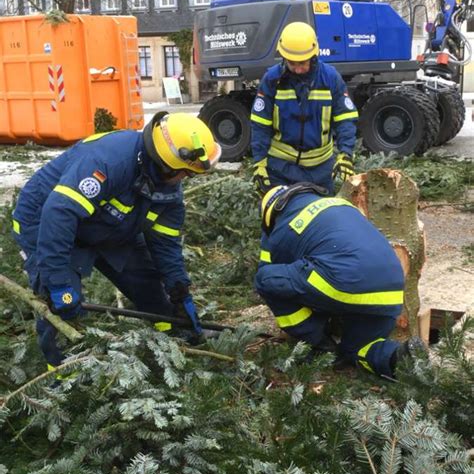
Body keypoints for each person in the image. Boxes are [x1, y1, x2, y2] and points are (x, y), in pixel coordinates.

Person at [11, 112, 221, 368]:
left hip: (108, 222)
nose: (186, 180)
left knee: (148, 282)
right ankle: (62, 375)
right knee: (63, 305)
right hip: (45, 220)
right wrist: (58, 284)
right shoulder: (111, 161)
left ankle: (172, 337)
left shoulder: (167, 190)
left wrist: (179, 289)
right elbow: (60, 213)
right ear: (167, 165)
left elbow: (165, 245)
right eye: (186, 174)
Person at [255, 183, 427, 380]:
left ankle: (318, 344)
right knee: (359, 348)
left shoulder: (283, 227)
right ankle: (400, 358)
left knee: (265, 279)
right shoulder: (340, 204)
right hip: (391, 289)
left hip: (345, 283)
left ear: (271, 214)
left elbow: (271, 276)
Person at [251, 21, 358, 195]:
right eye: (292, 64)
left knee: (322, 219)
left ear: (313, 56)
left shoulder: (330, 78)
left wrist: (345, 154)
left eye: (303, 63)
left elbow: (345, 119)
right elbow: (260, 124)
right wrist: (259, 163)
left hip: (321, 170)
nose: (298, 69)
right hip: (280, 169)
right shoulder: (272, 79)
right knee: (279, 219)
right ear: (284, 57)